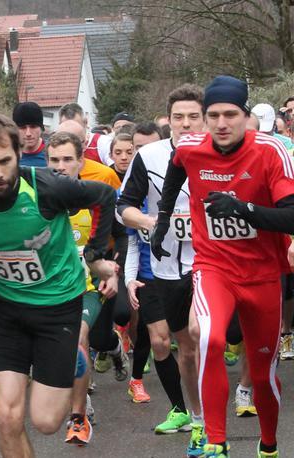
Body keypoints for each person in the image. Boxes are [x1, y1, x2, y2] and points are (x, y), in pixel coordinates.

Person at [0, 114, 117, 457]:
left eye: (5, 161)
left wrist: (97, 253)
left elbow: (104, 197)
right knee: (7, 417)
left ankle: (73, 358)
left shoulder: (48, 187)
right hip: (6, 311)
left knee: (44, 421)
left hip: (58, 310)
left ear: (19, 155)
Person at [152, 75, 294, 458]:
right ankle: (216, 440)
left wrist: (245, 210)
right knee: (210, 339)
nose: (221, 123)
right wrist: (163, 218)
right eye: (212, 115)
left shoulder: (270, 151)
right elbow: (176, 168)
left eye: (230, 114)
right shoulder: (192, 146)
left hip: (263, 274)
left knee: (262, 375)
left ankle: (268, 444)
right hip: (213, 266)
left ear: (246, 117)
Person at [117, 84, 207, 456]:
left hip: (213, 261)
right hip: (167, 265)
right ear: (167, 121)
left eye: (193, 117)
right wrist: (153, 221)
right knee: (185, 348)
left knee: (207, 337)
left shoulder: (220, 153)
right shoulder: (149, 156)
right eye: (178, 118)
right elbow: (125, 206)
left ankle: (220, 410)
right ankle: (198, 419)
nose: (185, 124)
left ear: (204, 119)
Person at [43, 131, 120, 446]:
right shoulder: (37, 200)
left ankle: (78, 417)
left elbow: (120, 240)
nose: (60, 167)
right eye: (54, 160)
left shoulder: (96, 199)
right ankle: (115, 351)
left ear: (80, 162)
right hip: (47, 292)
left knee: (79, 338)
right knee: (89, 342)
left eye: (67, 160)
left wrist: (112, 272)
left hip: (87, 287)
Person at [12, 102, 46, 167]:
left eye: (33, 127)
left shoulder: (53, 154)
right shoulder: (8, 155)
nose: (28, 133)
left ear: (41, 128)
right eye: (22, 128)